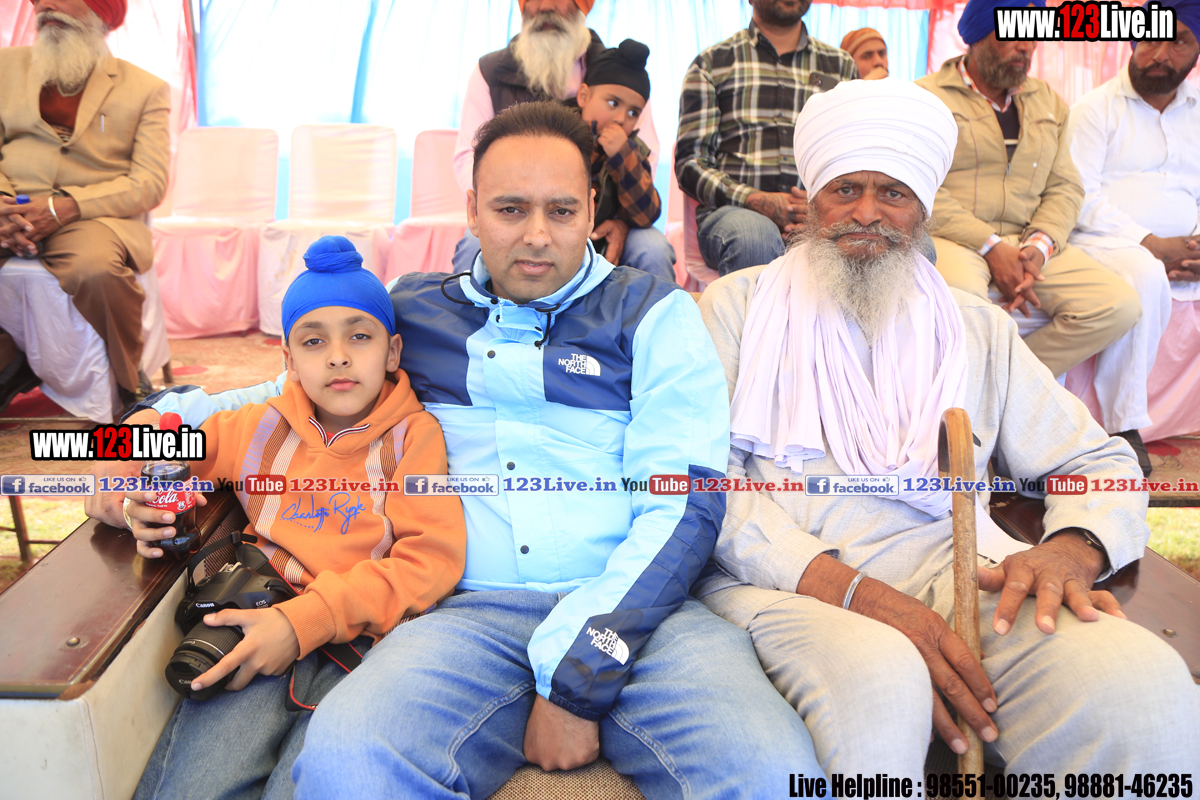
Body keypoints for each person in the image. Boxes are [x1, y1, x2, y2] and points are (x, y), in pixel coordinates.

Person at [92, 102, 816, 799]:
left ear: (592, 209)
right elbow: (261, 400)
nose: (537, 235)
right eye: (510, 209)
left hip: (638, 612)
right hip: (465, 616)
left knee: (771, 775)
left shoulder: (653, 313)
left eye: (562, 211)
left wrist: (578, 676)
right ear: (471, 211)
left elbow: (684, 506)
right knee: (348, 765)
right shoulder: (415, 312)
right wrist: (119, 454)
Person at [694, 77, 1200, 778]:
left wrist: (1073, 548)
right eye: (846, 189)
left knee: (1143, 686)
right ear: (811, 200)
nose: (867, 212)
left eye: (893, 193)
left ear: (923, 211)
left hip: (957, 568)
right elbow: (701, 486)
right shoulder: (736, 309)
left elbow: (1098, 463)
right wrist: (857, 594)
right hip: (781, 581)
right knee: (881, 686)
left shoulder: (972, 326)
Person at [111, 236, 468, 799]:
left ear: (392, 351)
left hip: (365, 648)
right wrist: (124, 499)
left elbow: (431, 560)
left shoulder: (414, 437)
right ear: (289, 361)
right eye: (313, 340)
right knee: (198, 786)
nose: (337, 356)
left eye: (359, 335)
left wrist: (309, 620)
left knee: (313, 785)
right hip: (253, 626)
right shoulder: (255, 427)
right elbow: (142, 457)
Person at [916, 0, 1147, 471]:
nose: (1025, 47)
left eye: (1033, 36)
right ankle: (966, 438)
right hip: (959, 239)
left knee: (1118, 304)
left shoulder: (1048, 101)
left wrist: (1039, 247)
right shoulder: (926, 99)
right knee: (963, 305)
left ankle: (1005, 395)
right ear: (977, 36)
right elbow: (922, 188)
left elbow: (1066, 186)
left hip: (1028, 241)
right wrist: (991, 246)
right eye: (1012, 35)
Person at [0, 0, 169, 413]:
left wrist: (66, 207)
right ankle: (10, 358)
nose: (45, 5)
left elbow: (150, 182)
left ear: (100, 12)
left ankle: (129, 381)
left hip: (90, 215)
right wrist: (4, 206)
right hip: (9, 205)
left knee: (95, 270)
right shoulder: (4, 68)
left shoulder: (145, 88)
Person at [1065, 4, 1200, 464]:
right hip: (1104, 241)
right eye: (1150, 38)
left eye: (1177, 40)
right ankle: (1123, 426)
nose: (1159, 53)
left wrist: (1194, 247)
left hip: (1182, 246)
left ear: (1196, 50)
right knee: (1144, 273)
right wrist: (1150, 243)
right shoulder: (1094, 109)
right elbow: (1079, 197)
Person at [450, 0, 662, 275]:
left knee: (653, 249)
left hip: (607, 216)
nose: (545, 6)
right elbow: (470, 155)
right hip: (515, 211)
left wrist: (621, 220)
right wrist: (506, 210)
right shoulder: (491, 71)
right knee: (473, 246)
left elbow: (644, 159)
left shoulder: (620, 75)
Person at [675, 0, 858, 277]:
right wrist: (754, 199)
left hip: (823, 217)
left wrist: (827, 207)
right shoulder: (712, 64)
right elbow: (691, 164)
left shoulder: (841, 66)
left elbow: (853, 158)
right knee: (755, 237)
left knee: (906, 244)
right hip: (734, 214)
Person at [564, 38, 675, 282]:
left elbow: (646, 215)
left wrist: (623, 157)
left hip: (607, 240)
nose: (622, 118)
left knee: (654, 246)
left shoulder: (633, 150)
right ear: (584, 96)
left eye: (633, 112)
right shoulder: (556, 134)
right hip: (558, 234)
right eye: (613, 103)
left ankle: (662, 306)